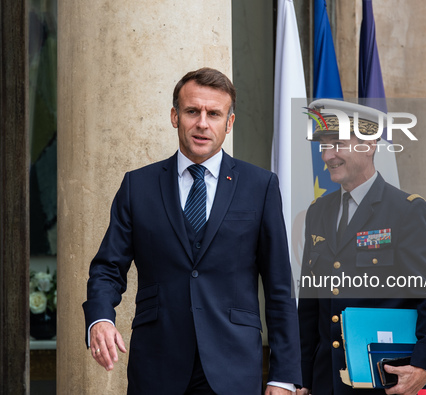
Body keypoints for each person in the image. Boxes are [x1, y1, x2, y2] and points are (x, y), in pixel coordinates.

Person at [82, 67, 301, 394]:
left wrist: (283, 376)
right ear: (175, 116)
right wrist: (100, 318)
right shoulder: (137, 186)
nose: (202, 123)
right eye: (191, 111)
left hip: (233, 366)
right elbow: (107, 267)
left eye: (214, 113)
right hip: (156, 365)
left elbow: (279, 285)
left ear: (229, 122)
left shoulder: (260, 186)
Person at [297, 99, 426, 395]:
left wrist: (423, 367)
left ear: (369, 144)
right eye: (323, 146)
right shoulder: (318, 211)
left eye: (337, 144)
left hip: (384, 381)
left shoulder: (407, 211)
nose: (327, 156)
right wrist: (301, 378)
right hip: (325, 382)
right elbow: (308, 308)